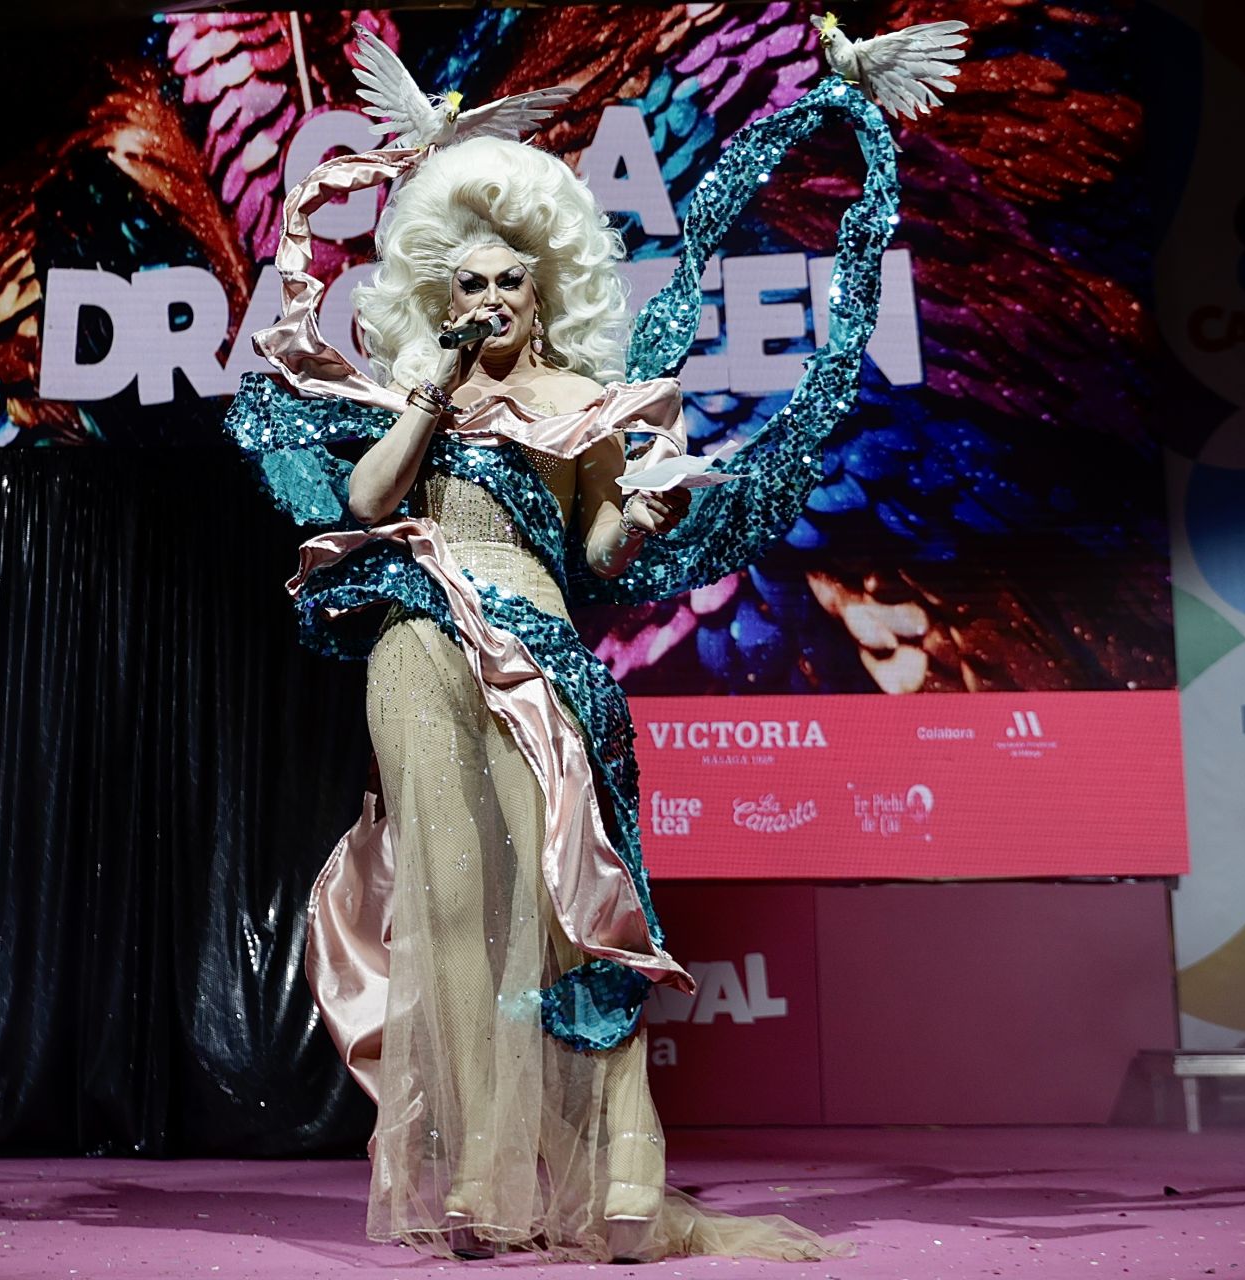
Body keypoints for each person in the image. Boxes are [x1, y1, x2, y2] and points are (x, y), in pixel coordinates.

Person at [225, 48, 902, 1262]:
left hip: (537, 655)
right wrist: (426, 397)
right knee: (449, 903)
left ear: (544, 296)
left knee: (564, 906)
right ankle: (481, 1187)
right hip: (420, 640)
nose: (489, 298)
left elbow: (594, 548)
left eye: (509, 284)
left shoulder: (589, 404)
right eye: (468, 281)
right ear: (444, 293)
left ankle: (614, 1188)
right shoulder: (411, 395)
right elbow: (365, 500)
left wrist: (638, 507)